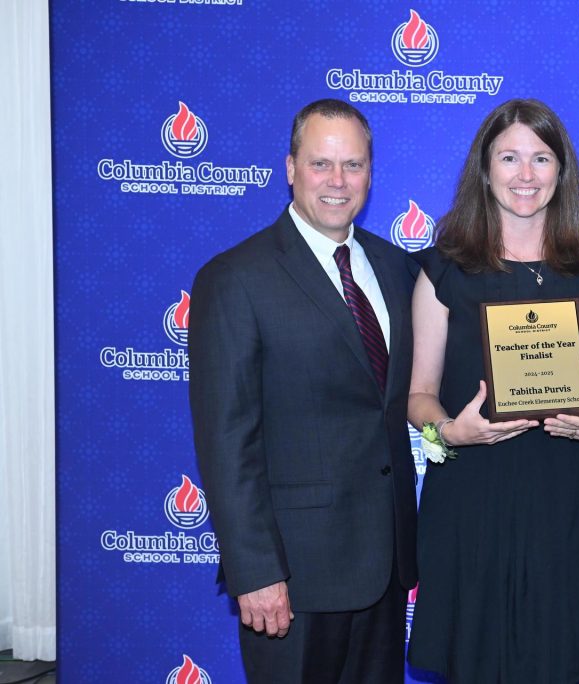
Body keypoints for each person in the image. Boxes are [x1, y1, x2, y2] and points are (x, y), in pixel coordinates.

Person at [188, 98, 418, 684]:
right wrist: (256, 570)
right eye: (321, 164)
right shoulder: (235, 278)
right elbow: (226, 441)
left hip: (386, 569)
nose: (338, 182)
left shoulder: (397, 270)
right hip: (293, 577)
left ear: (371, 172)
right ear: (290, 168)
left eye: (354, 165)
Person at [405, 98, 579, 683]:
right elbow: (417, 397)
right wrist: (450, 432)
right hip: (471, 500)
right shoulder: (443, 271)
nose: (525, 175)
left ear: (563, 171)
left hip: (564, 502)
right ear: (485, 169)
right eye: (509, 157)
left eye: (541, 158)